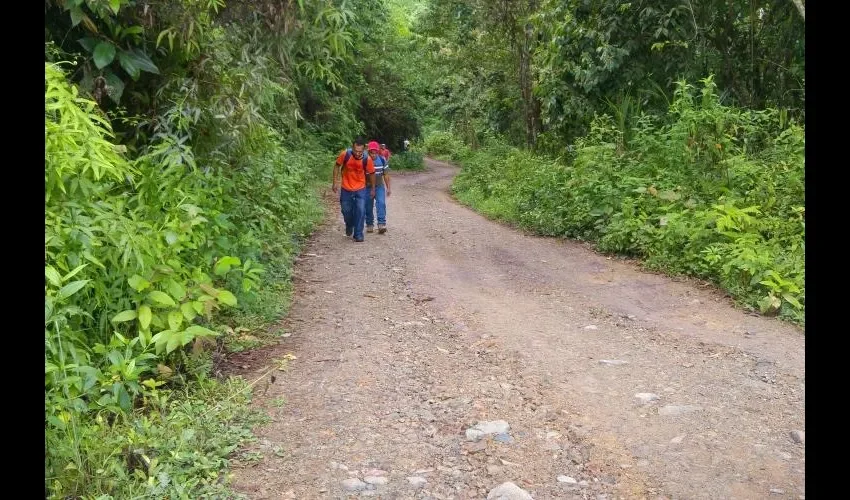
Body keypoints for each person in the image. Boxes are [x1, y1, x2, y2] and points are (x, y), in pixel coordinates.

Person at [332, 137, 376, 242]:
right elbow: (337, 166)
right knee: (345, 210)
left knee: (360, 210)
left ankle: (358, 234)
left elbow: (372, 173)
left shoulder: (367, 159)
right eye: (355, 151)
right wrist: (335, 182)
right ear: (352, 147)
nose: (357, 153)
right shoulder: (345, 154)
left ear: (364, 149)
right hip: (346, 187)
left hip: (360, 187)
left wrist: (373, 188)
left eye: (360, 151)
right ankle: (349, 224)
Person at [365, 141, 391, 234]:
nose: (373, 155)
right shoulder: (364, 160)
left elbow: (386, 174)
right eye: (371, 152)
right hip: (367, 186)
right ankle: (369, 224)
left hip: (379, 185)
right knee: (368, 206)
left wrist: (388, 188)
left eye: (375, 152)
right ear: (368, 152)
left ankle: (381, 224)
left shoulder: (382, 159)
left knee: (381, 203)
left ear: (378, 151)